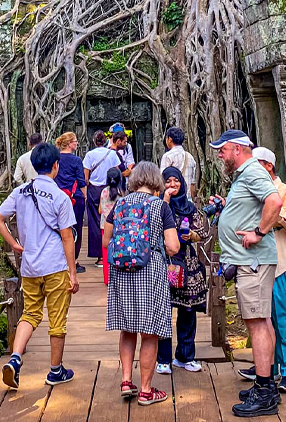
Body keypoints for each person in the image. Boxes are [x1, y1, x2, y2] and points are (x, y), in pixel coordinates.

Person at [0, 143, 81, 390]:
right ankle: (55, 371)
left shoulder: (21, 192)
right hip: (55, 266)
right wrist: (73, 273)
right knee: (57, 319)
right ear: (55, 166)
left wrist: (14, 245)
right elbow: (66, 237)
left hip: (30, 267)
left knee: (30, 314)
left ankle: (16, 358)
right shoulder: (60, 197)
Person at [208, 130, 283, 417]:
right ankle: (267, 383)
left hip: (253, 260)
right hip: (248, 260)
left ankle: (264, 391)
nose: (219, 154)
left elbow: (274, 202)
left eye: (222, 149)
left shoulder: (252, 171)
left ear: (237, 149)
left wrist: (258, 233)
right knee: (261, 320)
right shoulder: (244, 174)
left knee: (256, 323)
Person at [103, 161, 181, 406]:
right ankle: (146, 390)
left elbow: (106, 241)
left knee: (127, 328)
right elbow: (173, 246)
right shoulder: (161, 206)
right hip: (151, 271)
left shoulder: (120, 204)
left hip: (121, 270)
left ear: (134, 180)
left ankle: (126, 381)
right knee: (150, 332)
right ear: (156, 181)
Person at [253, 147, 286, 393]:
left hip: (284, 268)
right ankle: (266, 367)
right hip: (259, 267)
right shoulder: (252, 193)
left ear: (268, 167)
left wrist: (275, 210)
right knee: (263, 321)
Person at [156, 166, 210, 374]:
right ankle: (163, 359)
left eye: (175, 181)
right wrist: (165, 200)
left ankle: (185, 356)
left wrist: (192, 237)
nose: (172, 185)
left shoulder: (189, 206)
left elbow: (202, 230)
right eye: (167, 181)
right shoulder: (159, 205)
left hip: (187, 265)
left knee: (188, 311)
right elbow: (154, 224)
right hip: (166, 263)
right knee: (164, 311)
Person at [84, 131, 128, 266]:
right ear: (105, 141)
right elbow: (116, 173)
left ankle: (100, 256)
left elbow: (85, 176)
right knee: (113, 219)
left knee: (95, 222)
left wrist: (88, 188)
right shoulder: (113, 154)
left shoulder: (89, 155)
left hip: (94, 189)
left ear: (94, 141)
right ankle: (115, 252)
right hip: (110, 190)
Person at [53, 132, 87, 272]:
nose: (76, 143)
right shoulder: (76, 160)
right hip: (75, 197)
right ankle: (74, 259)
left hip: (58, 197)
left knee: (60, 228)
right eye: (74, 141)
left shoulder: (55, 159)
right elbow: (81, 181)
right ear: (68, 143)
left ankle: (61, 258)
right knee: (76, 228)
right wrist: (84, 195)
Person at [98, 166, 127, 285]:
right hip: (119, 226)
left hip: (104, 225)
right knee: (119, 251)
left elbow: (100, 210)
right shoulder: (122, 194)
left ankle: (107, 279)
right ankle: (118, 278)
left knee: (105, 253)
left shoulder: (104, 191)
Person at [159, 126, 198, 197]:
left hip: (173, 200)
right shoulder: (190, 157)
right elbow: (192, 184)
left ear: (169, 139)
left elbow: (162, 180)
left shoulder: (168, 156)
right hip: (187, 199)